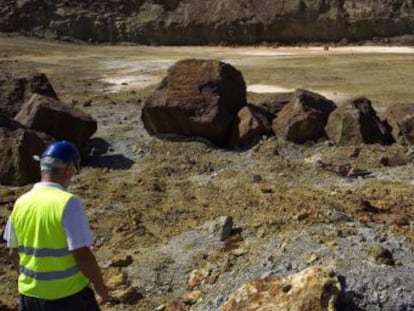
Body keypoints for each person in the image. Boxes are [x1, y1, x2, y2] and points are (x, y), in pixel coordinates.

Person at [3, 140, 109, 311]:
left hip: (29, 297)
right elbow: (82, 254)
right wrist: (99, 285)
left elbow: (12, 251)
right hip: (67, 297)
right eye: (73, 170)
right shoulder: (67, 203)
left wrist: (31, 283)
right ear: (68, 169)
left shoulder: (21, 202)